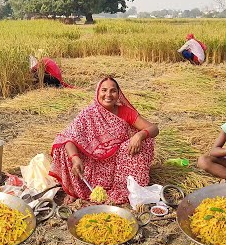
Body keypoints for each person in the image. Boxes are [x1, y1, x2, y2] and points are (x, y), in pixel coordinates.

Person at [49, 76, 159, 204]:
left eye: (113, 91)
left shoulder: (125, 112)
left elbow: (154, 128)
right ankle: (75, 189)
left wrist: (139, 136)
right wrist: (75, 158)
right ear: (98, 92)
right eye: (104, 90)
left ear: (118, 94)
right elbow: (68, 137)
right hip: (92, 163)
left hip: (119, 163)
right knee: (63, 148)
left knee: (146, 141)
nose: (108, 95)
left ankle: (122, 186)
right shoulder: (89, 113)